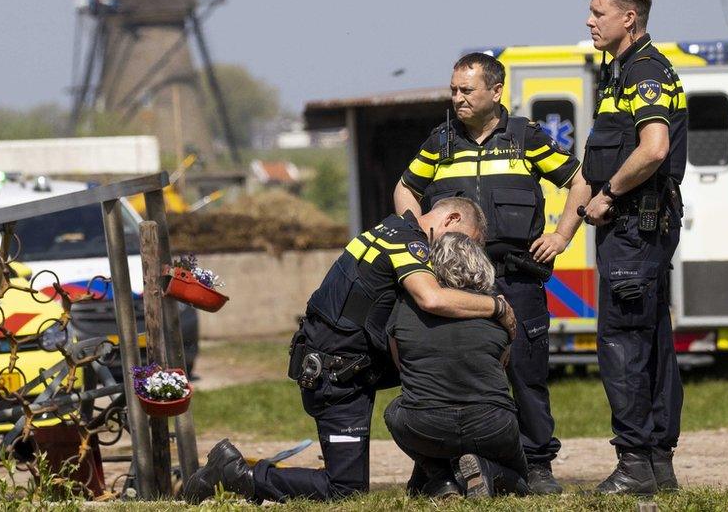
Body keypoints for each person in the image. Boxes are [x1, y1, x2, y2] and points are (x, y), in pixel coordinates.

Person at [182, 197, 516, 503]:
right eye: (466, 241)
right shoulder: (409, 243)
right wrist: (497, 307)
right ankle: (237, 475)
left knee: (439, 376)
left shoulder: (393, 229)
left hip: (351, 364)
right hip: (336, 375)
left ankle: (437, 479)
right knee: (344, 490)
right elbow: (433, 298)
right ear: (452, 219)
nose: (461, 252)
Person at [393, 52, 591, 494]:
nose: (457, 98)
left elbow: (581, 181)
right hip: (457, 285)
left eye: (467, 90)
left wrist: (561, 236)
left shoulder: (526, 138)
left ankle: (537, 466)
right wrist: (417, 240)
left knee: (525, 373)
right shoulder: (439, 142)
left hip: (517, 278)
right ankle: (437, 469)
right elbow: (405, 188)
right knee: (450, 373)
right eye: (454, 90)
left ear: (495, 91)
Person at [579, 0, 688, 495]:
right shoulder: (621, 72)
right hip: (640, 233)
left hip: (633, 232)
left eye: (598, 12)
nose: (589, 20)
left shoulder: (644, 71)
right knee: (651, 342)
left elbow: (654, 147)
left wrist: (608, 195)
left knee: (622, 344)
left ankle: (634, 465)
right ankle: (657, 464)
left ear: (629, 18)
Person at [384, 232, 529, 499]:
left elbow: (402, 366)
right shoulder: (498, 309)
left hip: (424, 423)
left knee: (394, 412)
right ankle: (485, 469)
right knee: (521, 480)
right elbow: (501, 363)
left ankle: (443, 478)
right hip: (492, 424)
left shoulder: (405, 306)